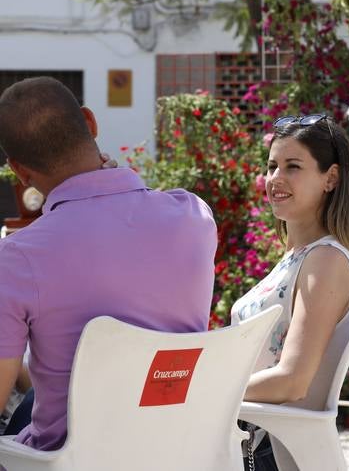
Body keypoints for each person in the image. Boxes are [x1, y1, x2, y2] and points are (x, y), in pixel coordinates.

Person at [0, 76, 218, 452]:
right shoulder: (193, 216)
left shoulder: (18, 258)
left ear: (19, 170)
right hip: (182, 451)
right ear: (90, 122)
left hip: (73, 460)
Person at [231, 114, 349, 470]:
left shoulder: (326, 260)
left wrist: (205, 390)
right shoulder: (303, 256)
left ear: (330, 178)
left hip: (274, 453)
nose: (275, 179)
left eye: (293, 166)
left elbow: (293, 380)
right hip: (258, 443)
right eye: (272, 166)